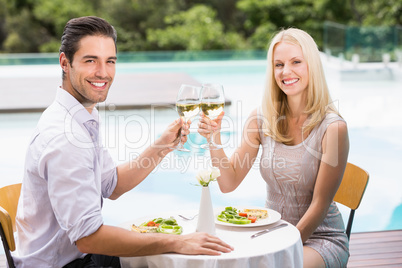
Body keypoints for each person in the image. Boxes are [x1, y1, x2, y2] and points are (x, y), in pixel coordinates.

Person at [14, 16, 233, 268]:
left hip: (77, 256)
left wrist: (162, 147)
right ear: (65, 62)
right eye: (90, 61)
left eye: (110, 61)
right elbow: (89, 238)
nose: (103, 73)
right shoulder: (64, 137)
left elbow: (112, 185)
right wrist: (177, 242)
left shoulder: (81, 117)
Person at [198, 28, 349, 268]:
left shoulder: (333, 128)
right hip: (271, 233)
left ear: (312, 65)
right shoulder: (259, 119)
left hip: (319, 239)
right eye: (279, 65)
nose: (286, 72)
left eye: (296, 62)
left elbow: (320, 205)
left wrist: (281, 249)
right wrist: (213, 137)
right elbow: (228, 183)